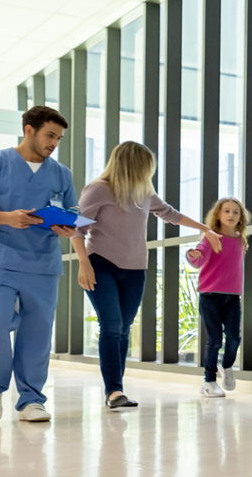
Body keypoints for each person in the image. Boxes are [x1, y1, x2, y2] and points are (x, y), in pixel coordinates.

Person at [0, 106, 83, 424]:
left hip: (42, 262)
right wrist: (6, 218)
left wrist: (67, 226)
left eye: (59, 138)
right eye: (49, 135)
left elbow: (69, 211)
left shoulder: (61, 174)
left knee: (37, 332)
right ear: (29, 130)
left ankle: (31, 400)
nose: (54, 142)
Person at [77, 142, 219, 410]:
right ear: (133, 165)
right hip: (101, 264)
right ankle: (114, 391)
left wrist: (205, 230)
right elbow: (76, 229)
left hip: (135, 269)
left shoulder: (144, 193)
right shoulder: (98, 189)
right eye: (146, 167)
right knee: (111, 326)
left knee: (123, 329)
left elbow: (170, 214)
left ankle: (116, 388)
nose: (148, 173)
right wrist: (83, 263)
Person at [187, 199, 249, 398]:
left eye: (236, 212)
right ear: (218, 215)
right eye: (227, 211)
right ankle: (208, 381)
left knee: (234, 337)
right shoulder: (210, 237)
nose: (231, 215)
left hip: (232, 297)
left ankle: (227, 365)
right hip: (210, 295)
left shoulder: (241, 240)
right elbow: (197, 259)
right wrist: (193, 254)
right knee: (214, 339)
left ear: (241, 218)